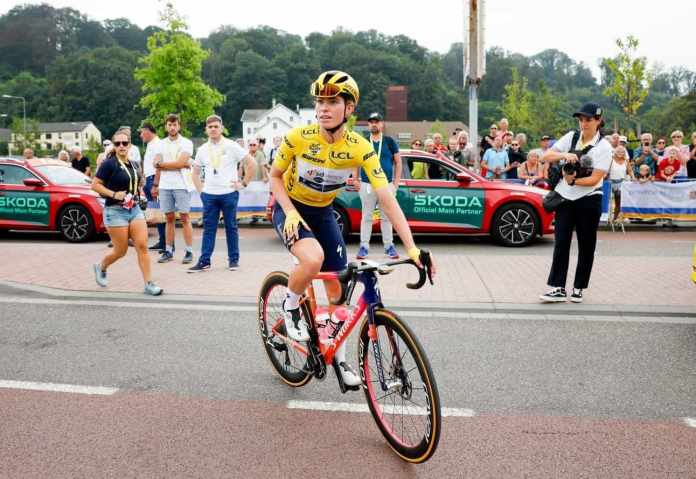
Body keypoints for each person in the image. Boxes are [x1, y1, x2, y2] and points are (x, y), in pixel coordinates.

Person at [270, 70, 434, 387]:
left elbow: (386, 198)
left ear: (349, 108)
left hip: (322, 212)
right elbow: (275, 176)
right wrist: (288, 212)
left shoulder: (360, 147)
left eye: (332, 101)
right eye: (320, 101)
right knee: (312, 258)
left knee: (338, 291)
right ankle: (291, 306)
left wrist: (412, 248)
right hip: (290, 207)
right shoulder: (299, 138)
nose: (323, 108)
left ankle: (340, 359)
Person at [540, 102, 612, 303]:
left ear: (598, 120)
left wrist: (573, 180)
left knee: (586, 245)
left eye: (588, 119)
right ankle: (557, 287)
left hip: (589, 199)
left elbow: (595, 179)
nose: (584, 123)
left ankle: (579, 287)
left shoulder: (604, 147)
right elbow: (546, 155)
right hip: (565, 198)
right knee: (561, 242)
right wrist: (564, 154)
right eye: (581, 119)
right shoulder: (571, 137)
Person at [91, 128, 162, 296]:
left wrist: (140, 190)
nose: (121, 146)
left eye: (125, 143)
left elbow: (136, 184)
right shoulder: (109, 164)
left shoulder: (134, 164)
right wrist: (114, 194)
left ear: (130, 145)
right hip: (115, 211)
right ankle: (101, 267)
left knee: (142, 245)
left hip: (134, 209)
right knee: (120, 251)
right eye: (118, 143)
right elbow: (95, 185)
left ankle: (148, 284)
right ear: (114, 146)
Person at [188, 114, 256, 272]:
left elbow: (251, 163)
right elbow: (195, 172)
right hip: (209, 195)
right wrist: (202, 192)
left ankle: (233, 260)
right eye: (210, 127)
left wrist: (243, 183)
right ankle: (205, 261)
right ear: (206, 130)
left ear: (222, 128)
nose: (213, 129)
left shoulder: (232, 146)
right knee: (208, 228)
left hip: (229, 193)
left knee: (231, 227)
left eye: (216, 126)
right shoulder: (202, 149)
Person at [354, 112, 402, 260]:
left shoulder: (389, 141)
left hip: (386, 184)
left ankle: (389, 246)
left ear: (382, 124)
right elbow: (356, 161)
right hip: (367, 184)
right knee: (366, 216)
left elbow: (398, 162)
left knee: (386, 216)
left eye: (377, 121)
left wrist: (396, 183)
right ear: (368, 125)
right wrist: (355, 179)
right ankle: (364, 246)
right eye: (371, 122)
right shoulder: (363, 142)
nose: (374, 124)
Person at [152, 113, 195, 264]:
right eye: (169, 125)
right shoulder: (160, 143)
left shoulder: (186, 142)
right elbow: (155, 163)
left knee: (184, 217)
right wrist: (156, 183)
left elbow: (179, 163)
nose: (172, 127)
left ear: (179, 126)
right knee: (169, 219)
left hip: (182, 185)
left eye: (174, 124)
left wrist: (164, 165)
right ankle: (168, 250)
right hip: (165, 186)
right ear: (166, 126)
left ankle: (189, 251)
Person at [138, 121, 166, 252]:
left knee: (159, 212)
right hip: (149, 179)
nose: (141, 135)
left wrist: (155, 184)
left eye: (142, 132)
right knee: (156, 212)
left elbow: (159, 166)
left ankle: (165, 242)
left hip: (154, 180)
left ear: (148, 130)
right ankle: (162, 241)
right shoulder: (151, 144)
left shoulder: (158, 144)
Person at [608, 145, 634, 223]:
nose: (620, 153)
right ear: (615, 152)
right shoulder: (611, 160)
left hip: (621, 183)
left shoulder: (626, 161)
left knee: (618, 202)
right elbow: (606, 171)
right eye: (618, 151)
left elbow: (630, 171)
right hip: (611, 183)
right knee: (609, 202)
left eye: (622, 151)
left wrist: (633, 177)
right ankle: (607, 218)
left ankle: (615, 218)